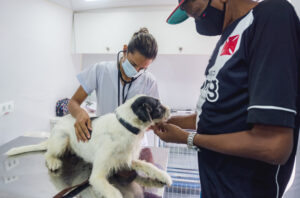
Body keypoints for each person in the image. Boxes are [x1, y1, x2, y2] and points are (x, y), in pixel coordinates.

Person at [151, 0, 300, 197]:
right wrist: (167, 122)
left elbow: (273, 145)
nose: (197, 23)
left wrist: (188, 138)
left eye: (194, 11)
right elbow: (215, 116)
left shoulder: (271, 17)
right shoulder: (228, 36)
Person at [68, 27, 159, 142]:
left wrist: (141, 125)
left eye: (142, 68)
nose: (136, 71)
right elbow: (73, 103)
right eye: (133, 64)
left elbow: (154, 120)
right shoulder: (100, 70)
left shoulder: (149, 81)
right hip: (104, 140)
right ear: (125, 50)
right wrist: (80, 113)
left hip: (133, 145)